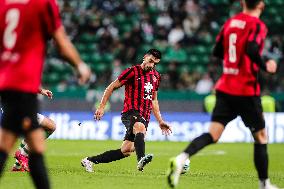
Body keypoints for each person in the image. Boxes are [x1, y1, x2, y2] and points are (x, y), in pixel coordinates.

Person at [167, 1, 280, 189]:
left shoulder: (230, 22)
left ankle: (181, 158)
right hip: (245, 89)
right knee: (260, 136)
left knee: (213, 133)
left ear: (243, 2)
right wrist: (265, 64)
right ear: (261, 4)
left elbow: (217, 51)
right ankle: (264, 184)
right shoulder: (257, 25)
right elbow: (252, 48)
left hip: (225, 87)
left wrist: (232, 63)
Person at [0, 0, 91, 189]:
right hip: (21, 87)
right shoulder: (42, 3)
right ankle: (21, 158)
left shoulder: (4, 4)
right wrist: (80, 66)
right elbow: (61, 41)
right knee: (13, 144)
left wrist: (39, 88)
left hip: (9, 83)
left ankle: (21, 159)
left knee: (36, 143)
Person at [81, 49, 172, 172]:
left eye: (155, 63)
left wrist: (160, 121)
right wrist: (102, 106)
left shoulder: (156, 76)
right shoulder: (132, 71)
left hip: (145, 115)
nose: (151, 65)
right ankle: (141, 159)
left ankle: (89, 160)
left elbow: (154, 100)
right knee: (140, 128)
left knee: (127, 150)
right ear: (145, 57)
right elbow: (111, 86)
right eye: (150, 61)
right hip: (130, 112)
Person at [11, 88, 56, 172]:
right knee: (51, 126)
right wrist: (41, 91)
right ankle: (22, 154)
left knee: (30, 133)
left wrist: (41, 91)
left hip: (11, 111)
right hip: (21, 110)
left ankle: (17, 167)